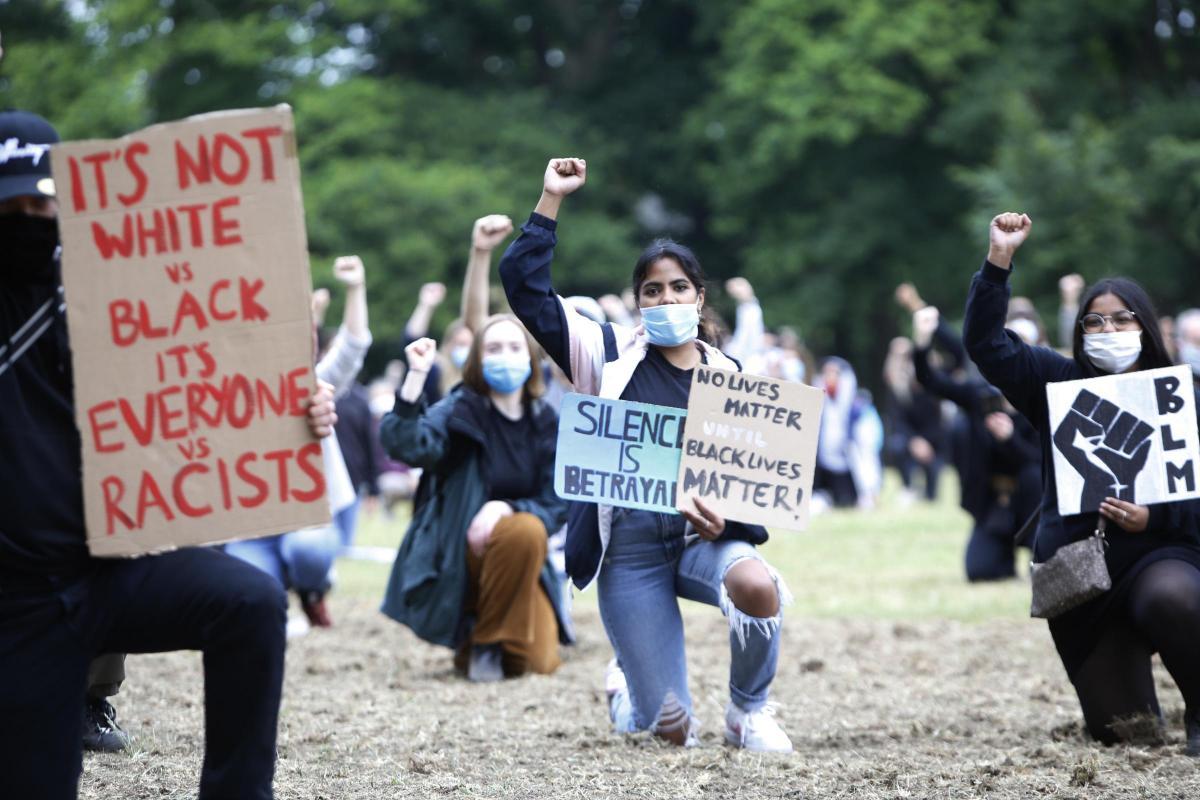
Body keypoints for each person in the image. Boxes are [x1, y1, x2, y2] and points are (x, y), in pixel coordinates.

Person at [0, 109, 338, 799]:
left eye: (45, 200)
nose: (33, 217)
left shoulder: (106, 292)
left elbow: (203, 393)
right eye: (13, 204)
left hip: (106, 573)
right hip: (17, 604)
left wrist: (293, 416)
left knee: (248, 599)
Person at [499, 157, 793, 752]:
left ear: (699, 295)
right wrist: (550, 201)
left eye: (678, 287)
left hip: (701, 542)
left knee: (759, 587)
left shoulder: (731, 376)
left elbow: (746, 487)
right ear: (638, 302)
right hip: (629, 554)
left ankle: (748, 711)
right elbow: (524, 289)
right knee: (671, 730)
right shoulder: (602, 355)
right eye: (652, 290)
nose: (666, 298)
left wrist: (725, 521)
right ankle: (629, 691)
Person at [963, 211, 1200, 755]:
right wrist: (999, 259)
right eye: (1094, 323)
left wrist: (1155, 517)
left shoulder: (1181, 394)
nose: (1107, 332)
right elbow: (985, 345)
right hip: (1082, 580)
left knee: (1175, 599)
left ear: (1146, 325)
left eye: (1121, 320)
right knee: (1126, 735)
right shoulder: (1056, 383)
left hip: (1161, 557)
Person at [379, 315, 570, 681]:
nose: (505, 356)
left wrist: (505, 507)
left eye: (514, 348)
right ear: (478, 359)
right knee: (526, 530)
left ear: (530, 358)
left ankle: (478, 641)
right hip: (462, 550)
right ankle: (486, 645)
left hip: (522, 560)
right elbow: (406, 444)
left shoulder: (545, 419)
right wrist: (415, 376)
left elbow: (558, 502)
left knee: (537, 664)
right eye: (493, 348)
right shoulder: (459, 408)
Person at [226, 256, 371, 628]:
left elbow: (352, 348)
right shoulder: (220, 403)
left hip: (308, 524)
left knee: (308, 550)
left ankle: (312, 590)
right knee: (245, 590)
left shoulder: (312, 385)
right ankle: (277, 600)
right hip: (252, 530)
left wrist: (355, 288)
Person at [912, 307, 1041, 581]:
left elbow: (1040, 460)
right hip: (994, 504)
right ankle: (1003, 553)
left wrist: (1009, 439)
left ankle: (1037, 550)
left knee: (1032, 478)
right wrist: (922, 342)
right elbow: (933, 382)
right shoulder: (981, 395)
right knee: (981, 570)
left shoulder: (1044, 395)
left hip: (1034, 505)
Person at [882, 335, 946, 506]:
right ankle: (908, 487)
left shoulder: (933, 388)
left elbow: (938, 421)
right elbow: (898, 420)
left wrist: (926, 441)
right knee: (897, 445)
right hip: (910, 438)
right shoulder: (899, 389)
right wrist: (915, 441)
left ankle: (930, 494)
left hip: (933, 439)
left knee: (932, 487)